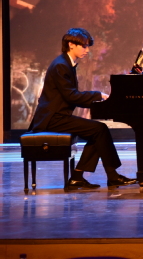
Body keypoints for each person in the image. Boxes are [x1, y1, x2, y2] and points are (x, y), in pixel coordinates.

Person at [29, 28, 135, 189]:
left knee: (98, 131)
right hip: (52, 118)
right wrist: (98, 96)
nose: (87, 50)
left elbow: (71, 95)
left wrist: (96, 98)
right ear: (71, 44)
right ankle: (110, 176)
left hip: (58, 116)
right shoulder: (61, 65)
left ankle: (80, 177)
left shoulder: (66, 64)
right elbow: (71, 96)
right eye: (84, 46)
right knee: (99, 129)